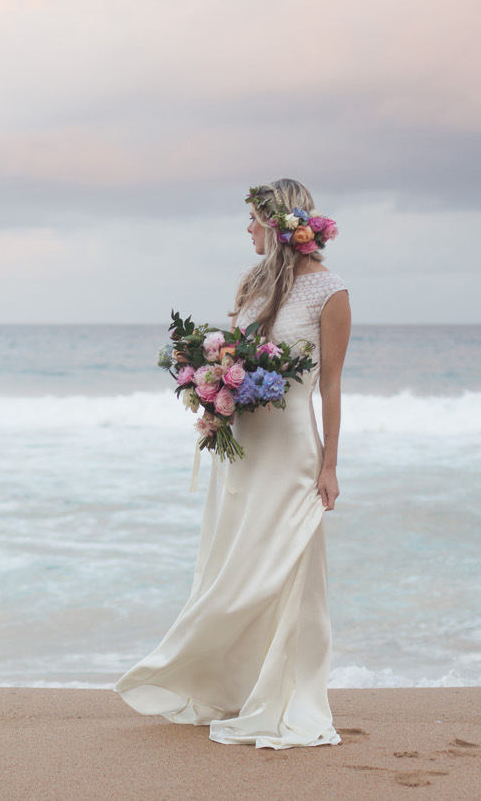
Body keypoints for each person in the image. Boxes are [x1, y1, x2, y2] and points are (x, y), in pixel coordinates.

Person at [114, 177, 352, 748]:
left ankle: (286, 691)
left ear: (277, 224)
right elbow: (239, 356)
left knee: (285, 563)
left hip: (292, 448)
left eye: (252, 219)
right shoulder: (253, 283)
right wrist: (210, 385)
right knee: (235, 561)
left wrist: (330, 465)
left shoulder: (330, 292)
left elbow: (332, 386)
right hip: (244, 448)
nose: (246, 229)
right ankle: (232, 680)